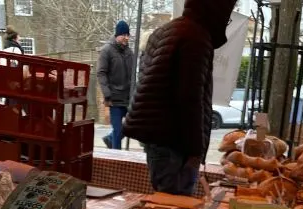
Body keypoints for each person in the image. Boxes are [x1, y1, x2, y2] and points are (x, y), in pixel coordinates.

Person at [124, 0, 237, 196]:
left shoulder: (165, 31)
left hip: (158, 139)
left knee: (164, 206)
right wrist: (195, 152)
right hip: (175, 145)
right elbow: (190, 101)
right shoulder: (196, 37)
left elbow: (147, 84)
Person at [97, 20, 133, 150]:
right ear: (117, 35)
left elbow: (132, 74)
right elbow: (101, 73)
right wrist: (107, 94)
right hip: (115, 99)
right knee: (118, 131)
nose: (126, 38)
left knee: (133, 125)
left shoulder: (129, 52)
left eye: (128, 35)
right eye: (124, 35)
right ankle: (116, 158)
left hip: (128, 98)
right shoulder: (107, 51)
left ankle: (109, 139)